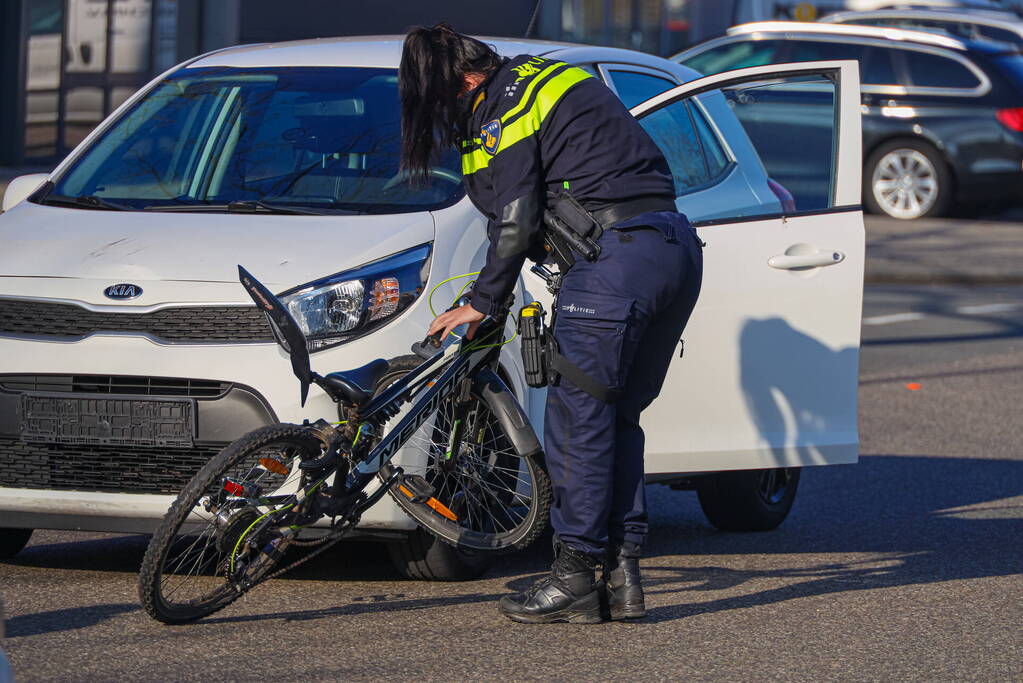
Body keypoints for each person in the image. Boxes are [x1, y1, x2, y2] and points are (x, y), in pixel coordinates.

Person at [399, 23, 703, 624]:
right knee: (616, 419)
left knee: (577, 425)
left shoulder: (505, 107)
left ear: (461, 80)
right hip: (673, 250)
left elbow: (514, 218)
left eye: (436, 94)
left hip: (614, 262)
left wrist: (483, 303)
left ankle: (573, 577)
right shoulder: (548, 75)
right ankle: (622, 576)